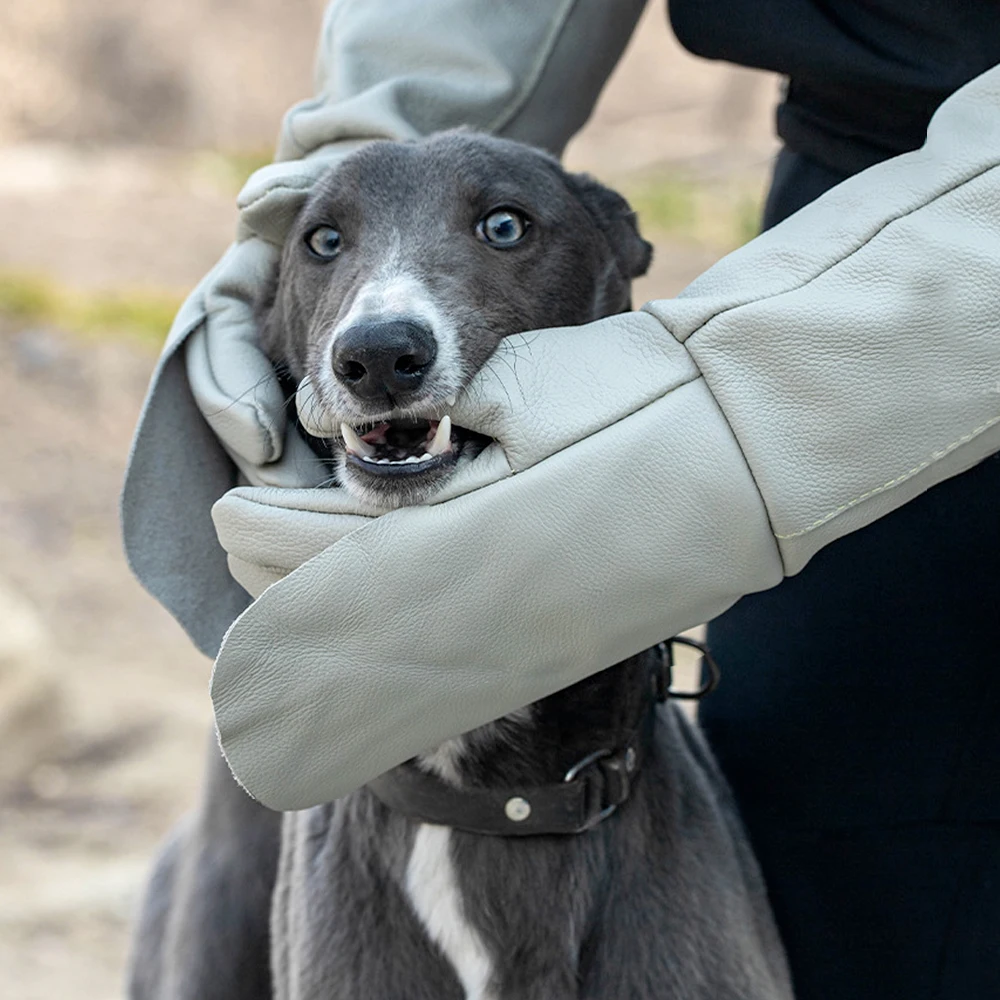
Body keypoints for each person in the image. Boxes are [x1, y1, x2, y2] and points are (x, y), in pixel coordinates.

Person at [121, 2, 1000, 997]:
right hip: (853, 160)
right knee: (814, 805)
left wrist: (724, 422)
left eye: (503, 228)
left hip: (928, 272)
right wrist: (366, 138)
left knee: (912, 879)